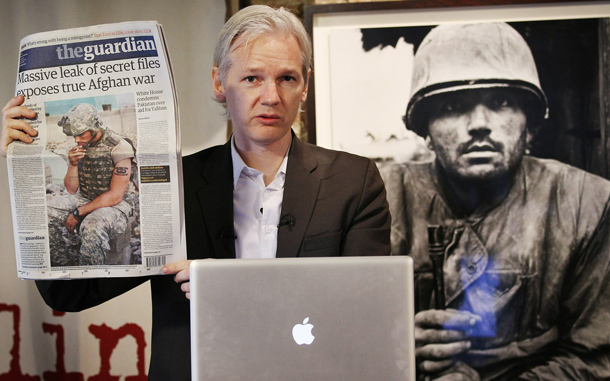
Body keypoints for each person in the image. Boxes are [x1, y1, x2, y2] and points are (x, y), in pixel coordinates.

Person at [1, 5, 390, 380]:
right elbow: (68, 295)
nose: (271, 96)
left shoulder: (353, 182)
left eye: (287, 78)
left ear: (305, 84)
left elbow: (364, 313)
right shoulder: (175, 183)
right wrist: (25, 168)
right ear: (220, 83)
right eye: (252, 78)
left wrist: (225, 287)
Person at [381, 22, 610, 380]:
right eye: (453, 106)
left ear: (529, 124)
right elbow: (332, 331)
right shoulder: (381, 198)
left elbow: (595, 358)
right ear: (425, 128)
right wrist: (394, 349)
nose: (479, 124)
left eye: (501, 102)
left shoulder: (587, 203)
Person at [45, 103, 137, 266]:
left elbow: (115, 195)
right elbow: (72, 189)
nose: (76, 140)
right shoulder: (81, 146)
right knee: (46, 212)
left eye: (80, 134)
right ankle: (64, 265)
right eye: (74, 135)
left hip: (115, 205)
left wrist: (78, 213)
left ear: (94, 128)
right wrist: (72, 164)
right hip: (85, 197)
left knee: (91, 226)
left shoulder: (119, 146)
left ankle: (91, 274)